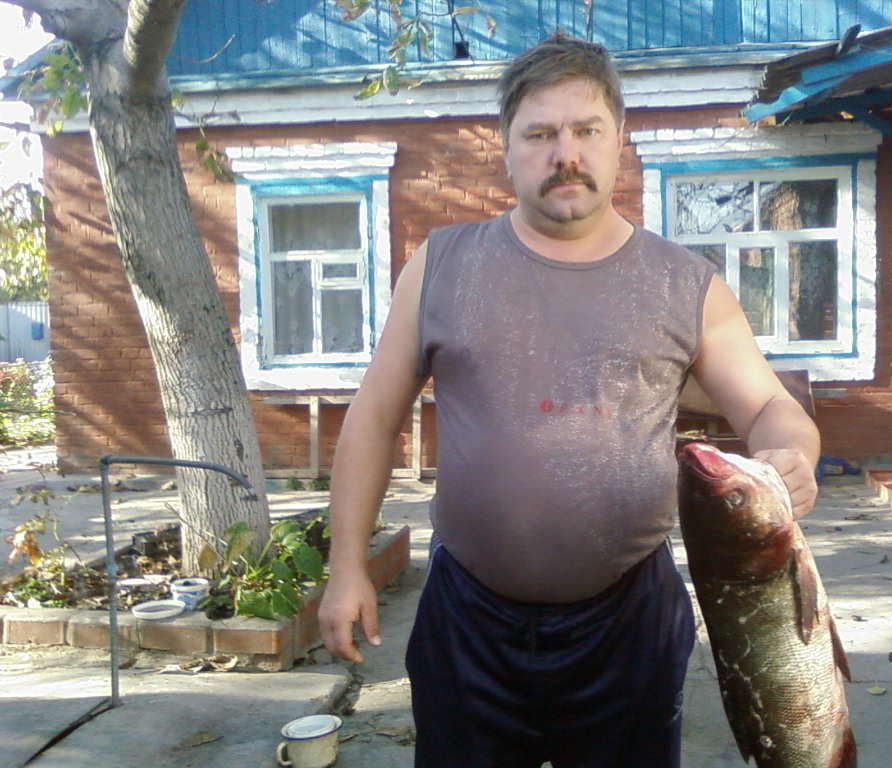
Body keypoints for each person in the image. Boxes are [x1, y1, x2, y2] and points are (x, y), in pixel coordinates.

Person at [319, 31, 820, 768]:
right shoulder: (441, 265)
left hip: (629, 623)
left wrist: (790, 454)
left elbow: (772, 407)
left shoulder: (686, 283)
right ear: (506, 147)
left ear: (619, 139)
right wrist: (346, 567)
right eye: (540, 134)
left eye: (586, 130)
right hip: (468, 620)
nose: (566, 154)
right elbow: (372, 419)